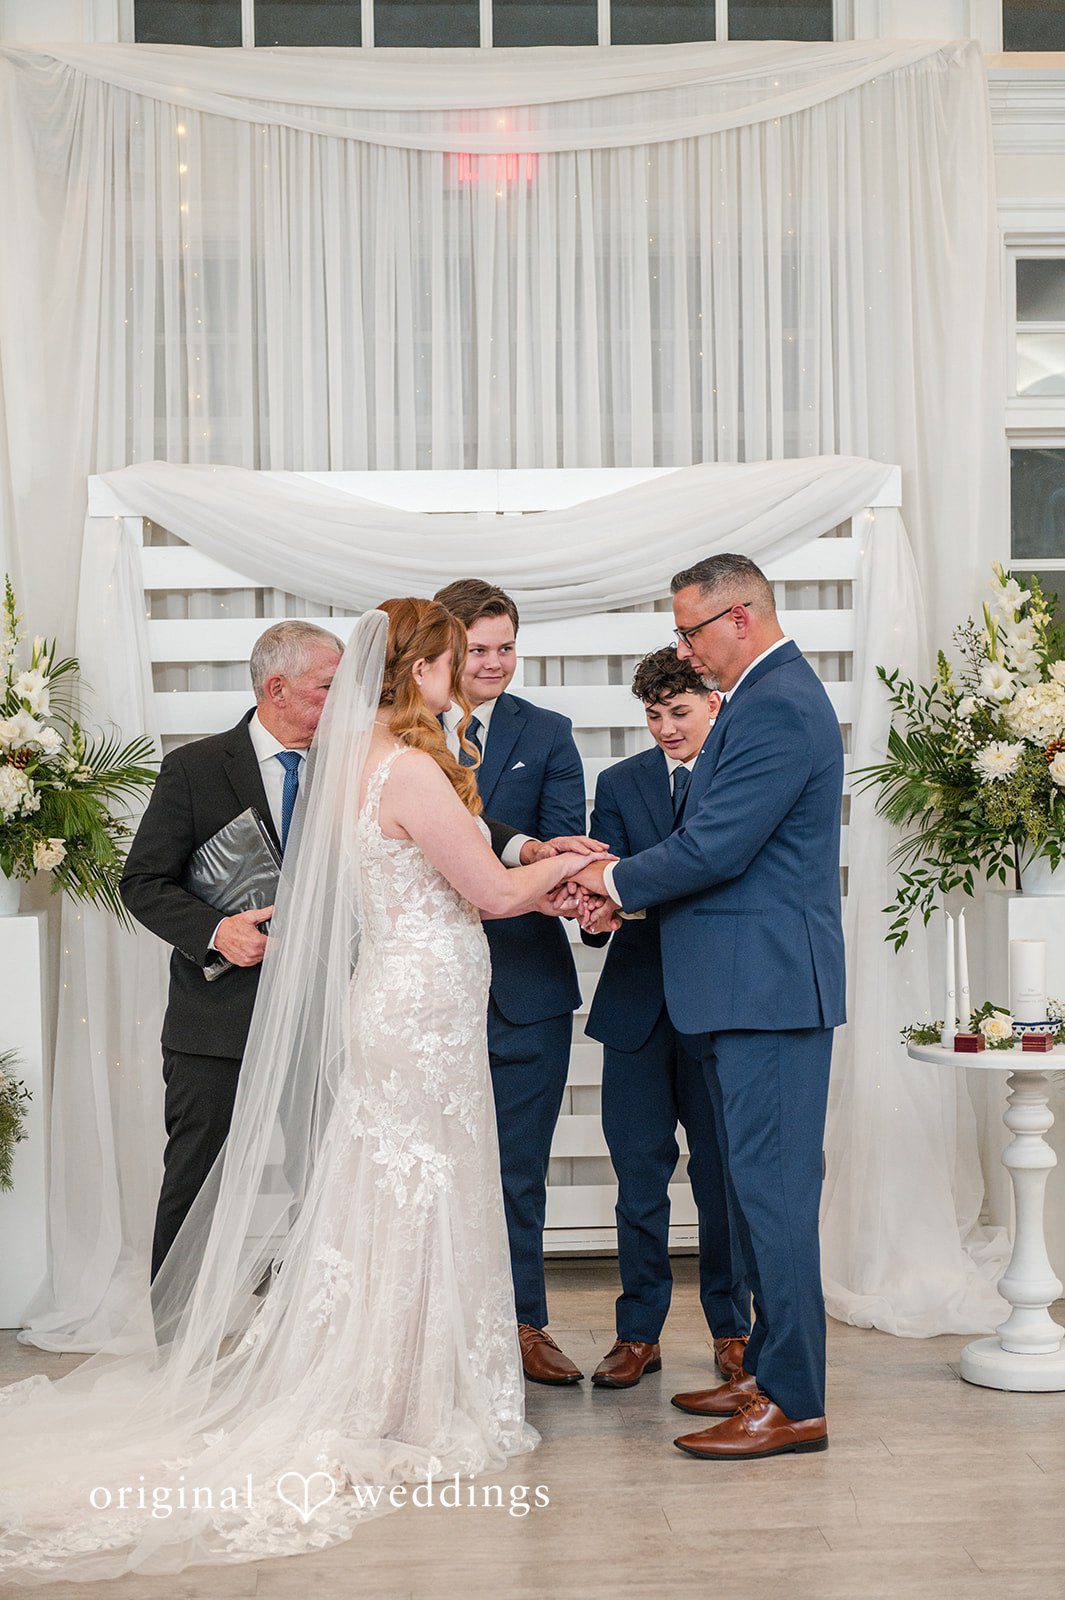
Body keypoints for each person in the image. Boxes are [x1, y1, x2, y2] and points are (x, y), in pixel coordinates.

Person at [0, 600, 605, 1584]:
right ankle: (412, 1396)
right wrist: (581, 866)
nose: (469, 678)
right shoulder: (404, 767)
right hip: (418, 1004)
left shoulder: (346, 766)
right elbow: (488, 896)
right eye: (455, 662)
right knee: (422, 1185)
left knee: (388, 1187)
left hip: (396, 1000)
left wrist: (532, 863)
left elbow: (455, 867)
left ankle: (386, 1382)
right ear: (421, 670)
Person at [121, 618, 569, 1281]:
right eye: (331, 687)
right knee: (197, 1181)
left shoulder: (358, 762)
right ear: (277, 688)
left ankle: (308, 1335)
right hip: (221, 1020)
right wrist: (219, 932)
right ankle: (176, 1341)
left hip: (341, 1012)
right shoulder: (194, 768)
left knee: (334, 1186)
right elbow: (142, 882)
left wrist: (524, 848)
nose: (352, 699)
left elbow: (447, 820)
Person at [573, 554, 845, 1460]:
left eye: (687, 632)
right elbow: (708, 841)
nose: (682, 651)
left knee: (771, 1201)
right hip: (741, 988)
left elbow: (716, 845)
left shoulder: (775, 704)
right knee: (754, 1192)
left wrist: (610, 879)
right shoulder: (773, 697)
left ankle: (794, 1402)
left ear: (736, 617)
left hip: (764, 991)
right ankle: (763, 1374)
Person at [580, 648, 750, 1390]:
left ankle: (731, 1329)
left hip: (718, 1008)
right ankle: (636, 1332)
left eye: (677, 711)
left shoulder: (741, 775)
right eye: (652, 715)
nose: (664, 728)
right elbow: (601, 894)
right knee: (637, 1179)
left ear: (713, 704)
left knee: (721, 1179)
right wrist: (596, 907)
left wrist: (635, 894)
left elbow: (722, 879)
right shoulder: (617, 784)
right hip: (636, 1012)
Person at [434, 579, 589, 1387]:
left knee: (516, 1171)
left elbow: (563, 844)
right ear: (444, 652)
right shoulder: (397, 737)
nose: (492, 664)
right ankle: (432, 1333)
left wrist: (565, 873)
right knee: (427, 1168)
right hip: (422, 986)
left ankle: (523, 1325)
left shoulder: (549, 732)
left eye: (504, 647)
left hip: (525, 989)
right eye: (477, 649)